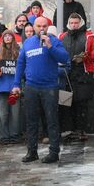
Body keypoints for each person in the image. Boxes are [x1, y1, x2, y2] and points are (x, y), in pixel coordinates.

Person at [15, 15, 70, 164]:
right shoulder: (28, 43)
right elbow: (21, 64)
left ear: (48, 27)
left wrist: (50, 46)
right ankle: (32, 151)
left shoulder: (54, 41)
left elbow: (64, 59)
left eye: (44, 26)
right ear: (33, 27)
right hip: (31, 87)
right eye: (38, 26)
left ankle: (54, 152)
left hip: (50, 87)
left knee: (51, 120)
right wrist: (16, 84)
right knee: (31, 121)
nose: (41, 29)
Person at [58, 11, 94, 142]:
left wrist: (85, 57)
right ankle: (69, 129)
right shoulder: (62, 36)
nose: (74, 25)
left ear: (80, 23)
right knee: (66, 103)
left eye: (76, 23)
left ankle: (80, 130)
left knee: (81, 104)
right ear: (68, 23)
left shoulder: (90, 36)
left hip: (84, 74)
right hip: (67, 74)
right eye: (71, 23)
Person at [0, 28, 21, 145]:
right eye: (5, 36)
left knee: (15, 114)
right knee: (3, 114)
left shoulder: (19, 51)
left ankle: (14, 135)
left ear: (13, 38)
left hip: (15, 86)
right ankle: (3, 136)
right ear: (2, 38)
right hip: (1, 86)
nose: (8, 38)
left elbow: (23, 67)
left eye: (10, 36)